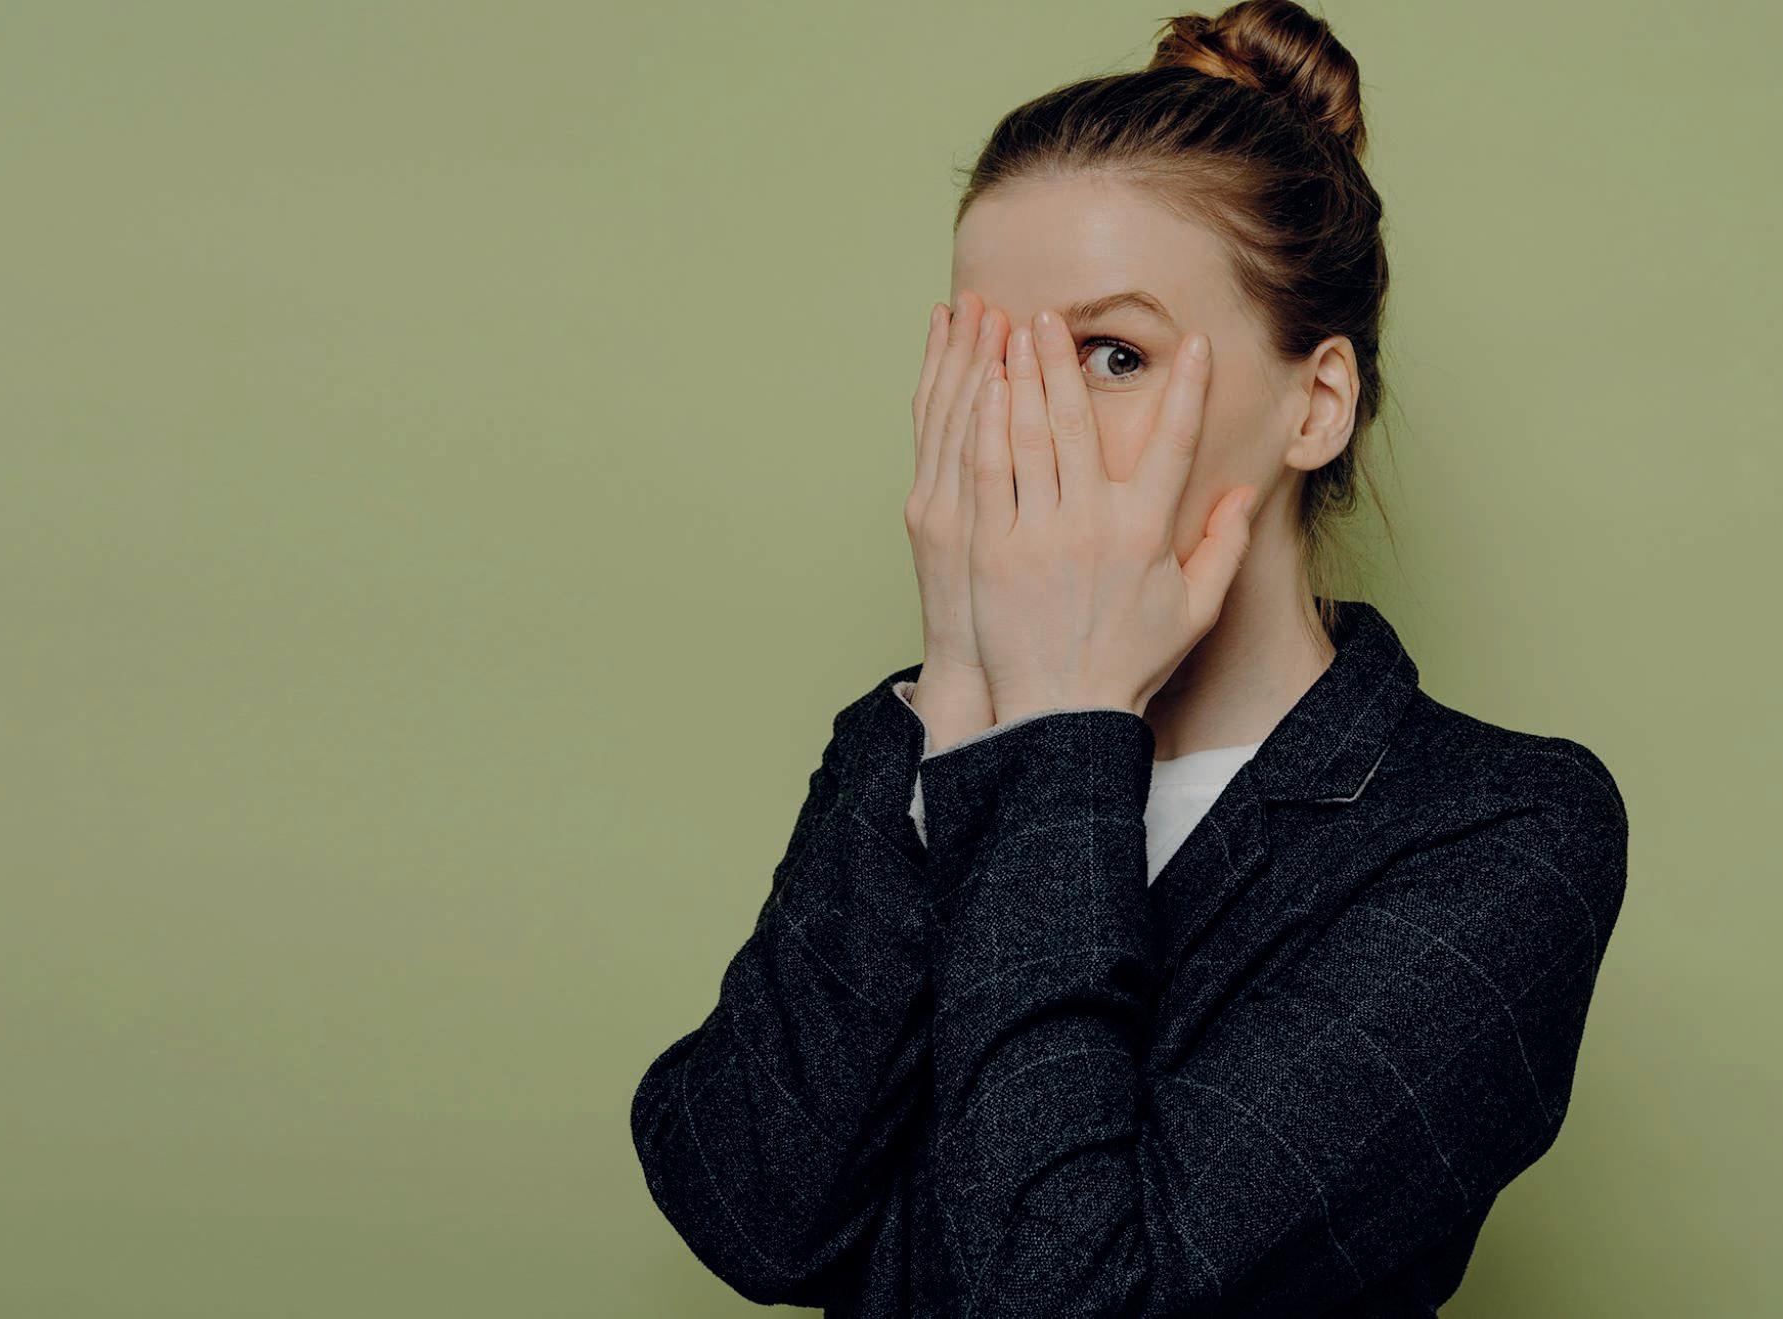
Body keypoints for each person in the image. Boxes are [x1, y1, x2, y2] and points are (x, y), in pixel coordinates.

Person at [626, 2, 1631, 1314]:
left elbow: (1065, 1292)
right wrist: (962, 694)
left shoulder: (1494, 827)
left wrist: (1060, 729)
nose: (1025, 431)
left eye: (1112, 355)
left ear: (1315, 403)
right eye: (992, 365)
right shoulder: (907, 742)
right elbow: (754, 1217)